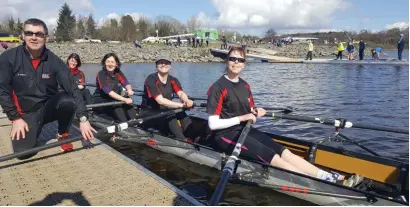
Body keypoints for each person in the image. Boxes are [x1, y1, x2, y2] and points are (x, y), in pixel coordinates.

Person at [206, 46, 363, 187]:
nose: (236, 62)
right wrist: (243, 117)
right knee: (273, 156)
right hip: (224, 134)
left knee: (284, 151)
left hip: (244, 130)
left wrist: (256, 111)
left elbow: (250, 108)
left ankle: (326, 176)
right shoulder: (218, 87)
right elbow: (213, 124)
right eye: (233, 58)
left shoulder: (245, 85)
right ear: (227, 61)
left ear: (245, 63)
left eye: (240, 60)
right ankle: (321, 183)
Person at [0, 18, 95, 158]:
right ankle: (33, 130)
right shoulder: (8, 58)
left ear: (46, 37)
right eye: (29, 33)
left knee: (68, 100)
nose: (34, 37)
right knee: (22, 154)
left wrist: (83, 118)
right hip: (25, 113)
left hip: (48, 107)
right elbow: (2, 90)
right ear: (23, 36)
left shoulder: (54, 61)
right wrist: (15, 118)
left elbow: (73, 88)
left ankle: (63, 133)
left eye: (39, 34)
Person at [140, 55, 196, 142]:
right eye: (160, 62)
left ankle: (192, 138)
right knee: (170, 113)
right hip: (148, 112)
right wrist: (181, 105)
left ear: (170, 66)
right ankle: (183, 141)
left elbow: (180, 93)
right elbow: (160, 100)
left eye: (166, 63)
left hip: (164, 110)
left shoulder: (173, 80)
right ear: (156, 65)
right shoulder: (151, 79)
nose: (163, 65)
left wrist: (186, 100)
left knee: (181, 112)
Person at [92, 53, 137, 122]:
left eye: (112, 62)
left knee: (128, 101)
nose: (110, 64)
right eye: (108, 61)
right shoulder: (101, 74)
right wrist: (124, 99)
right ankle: (125, 123)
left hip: (112, 98)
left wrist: (129, 90)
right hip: (100, 100)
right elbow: (108, 91)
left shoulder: (118, 72)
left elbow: (126, 83)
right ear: (104, 63)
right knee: (118, 103)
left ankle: (134, 121)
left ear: (116, 64)